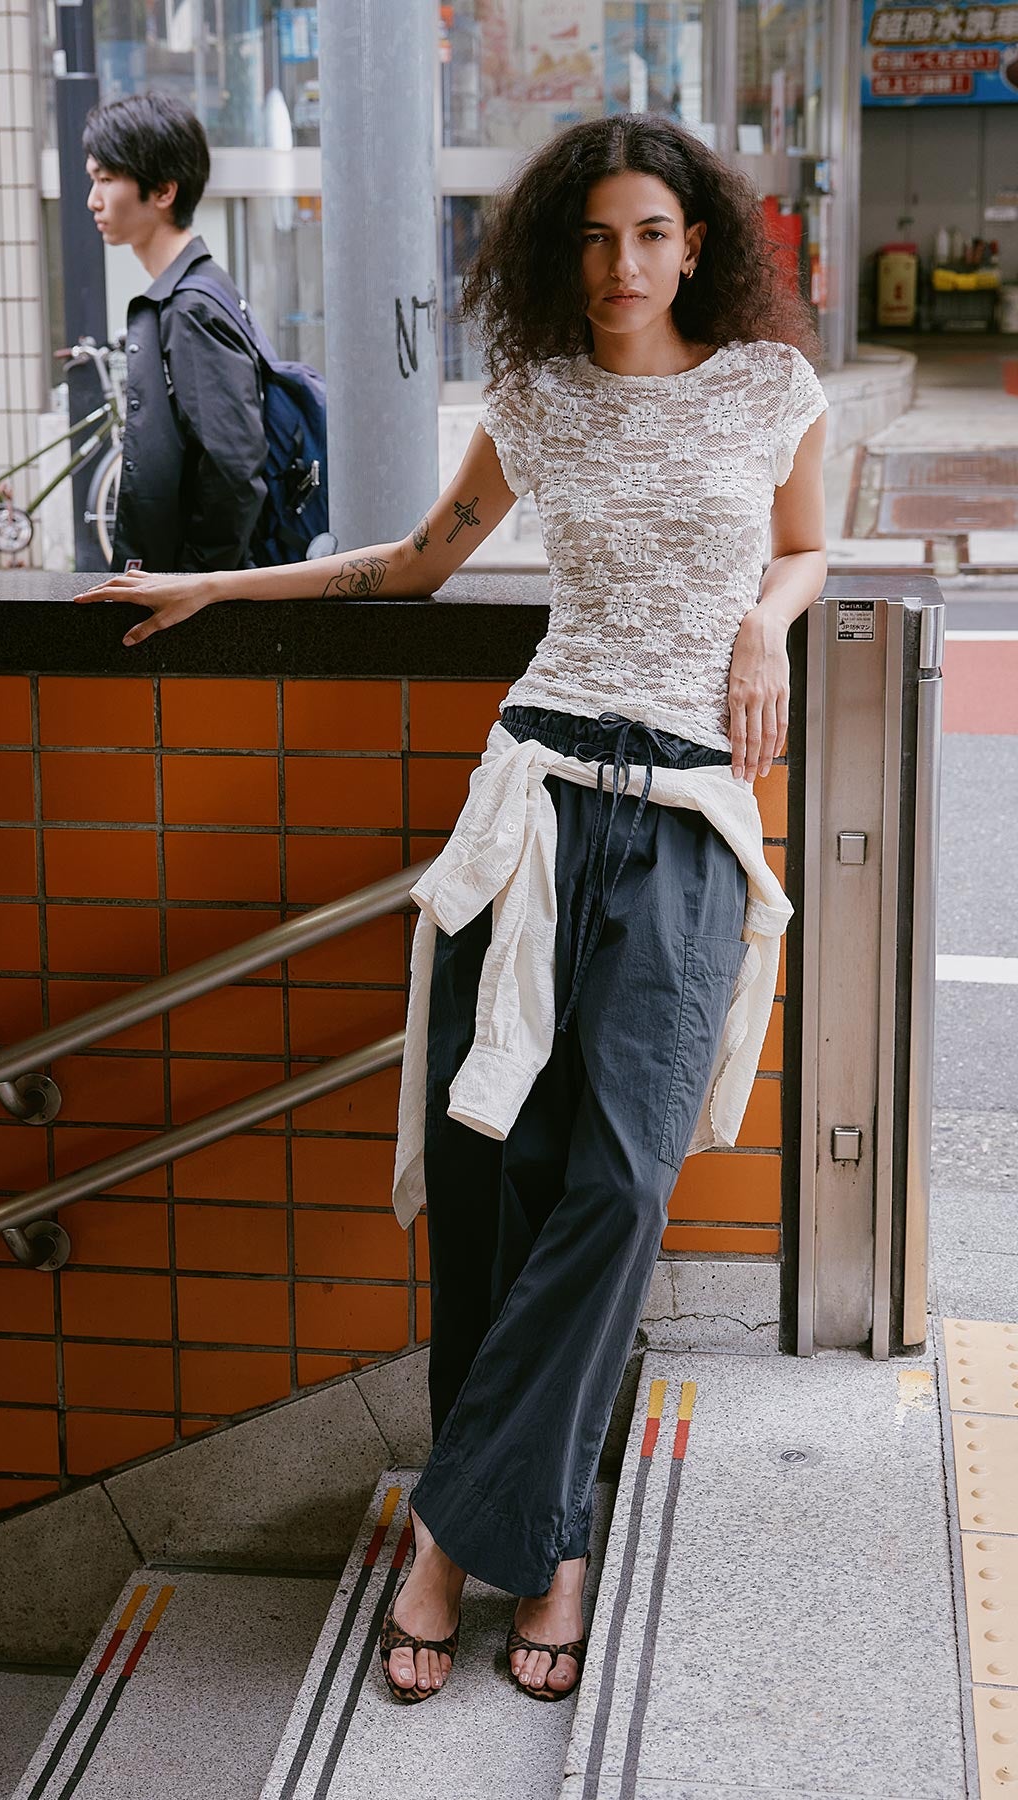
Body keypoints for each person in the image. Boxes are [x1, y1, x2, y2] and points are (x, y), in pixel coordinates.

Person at [77, 112, 827, 1707]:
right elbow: (419, 562)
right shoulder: (539, 399)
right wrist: (215, 586)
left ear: (699, 242)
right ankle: (545, 1548)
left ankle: (447, 1534)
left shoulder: (773, 389)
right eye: (592, 236)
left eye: (650, 234)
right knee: (498, 1177)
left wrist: (764, 622)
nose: (620, 265)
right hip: (533, 803)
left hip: (690, 812)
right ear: (560, 247)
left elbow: (811, 548)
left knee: (621, 1180)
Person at [83, 92, 268, 573]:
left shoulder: (189, 307)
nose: (93, 199)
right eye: (92, 179)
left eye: (106, 179)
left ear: (164, 192)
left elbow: (234, 471)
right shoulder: (198, 288)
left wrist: (192, 584)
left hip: (194, 602)